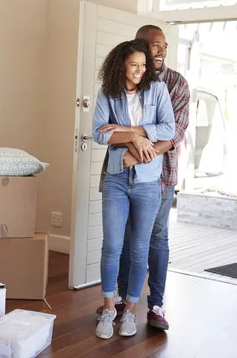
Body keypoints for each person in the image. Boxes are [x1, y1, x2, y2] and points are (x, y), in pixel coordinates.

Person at [96, 25, 190, 330]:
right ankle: (114, 306)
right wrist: (132, 139)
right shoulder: (109, 91)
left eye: (143, 65)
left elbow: (170, 130)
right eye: (135, 63)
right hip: (118, 174)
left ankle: (144, 307)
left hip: (154, 176)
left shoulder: (167, 86)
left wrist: (133, 136)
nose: (140, 69)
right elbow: (100, 131)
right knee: (115, 244)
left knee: (147, 243)